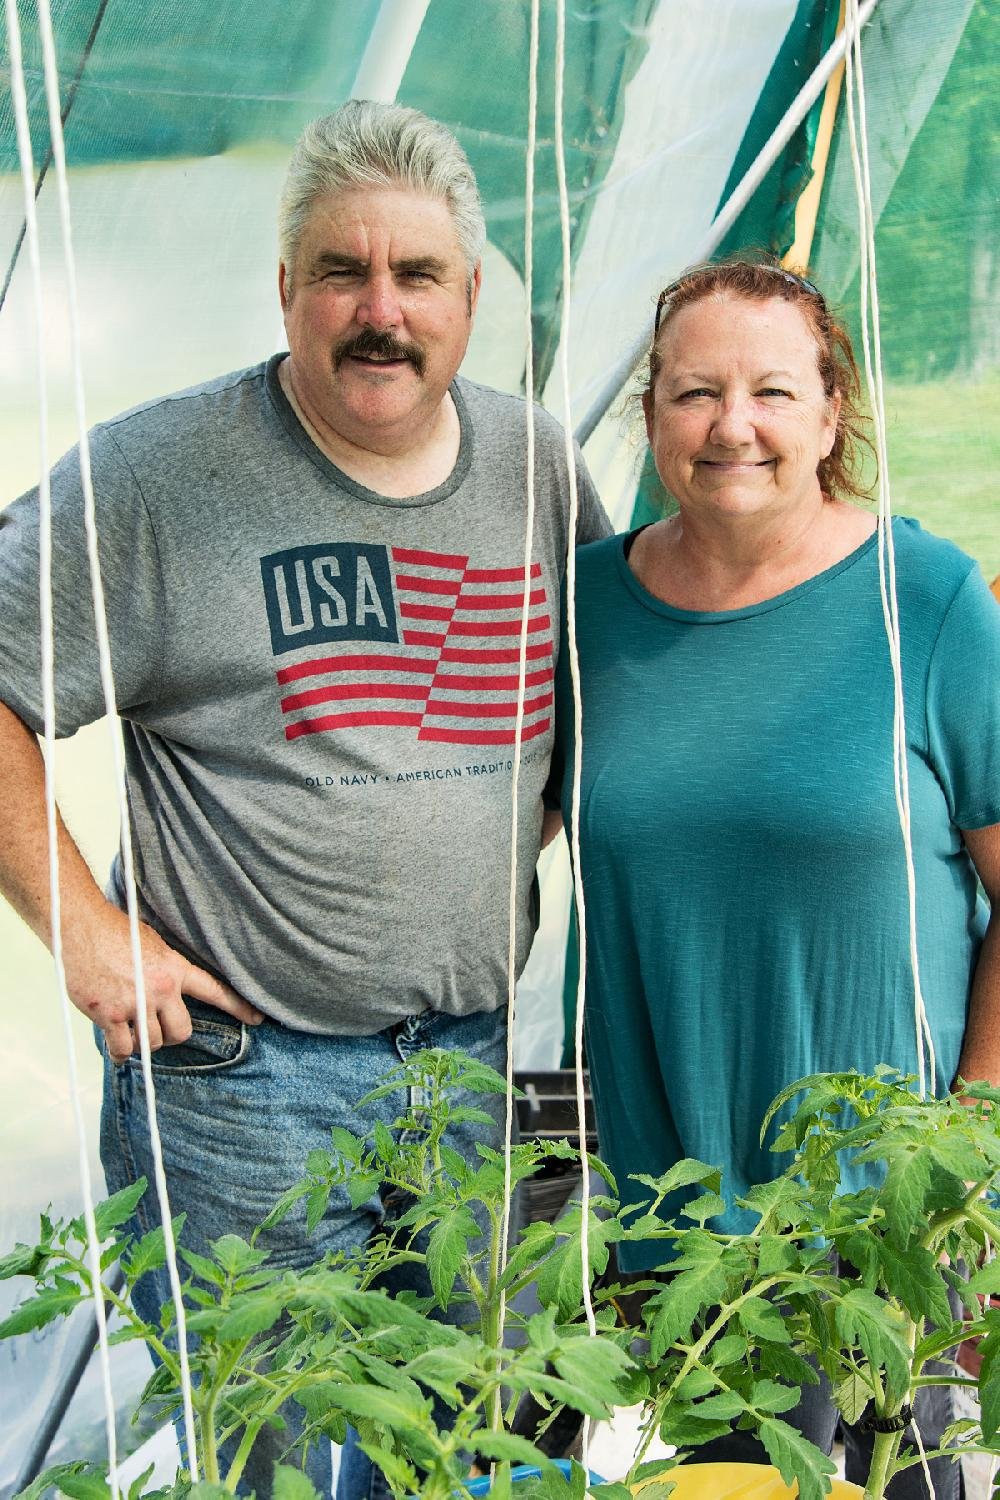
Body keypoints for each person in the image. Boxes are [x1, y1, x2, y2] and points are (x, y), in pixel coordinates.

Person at [0, 101, 610, 1496]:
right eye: (342, 271)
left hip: (463, 1064)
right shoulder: (156, 480)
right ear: (285, 288)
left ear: (472, 299)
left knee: (458, 1443)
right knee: (261, 1452)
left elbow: (596, 715)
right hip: (243, 1084)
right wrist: (86, 934)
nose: (379, 311)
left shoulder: (534, 469)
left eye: (419, 276)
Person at [550, 258, 1000, 1496]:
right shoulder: (585, 610)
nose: (730, 426)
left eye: (770, 390)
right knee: (734, 1480)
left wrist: (967, 1129)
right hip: (678, 1197)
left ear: (831, 412)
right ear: (650, 418)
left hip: (889, 1201)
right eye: (695, 393)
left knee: (914, 1477)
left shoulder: (927, 599)